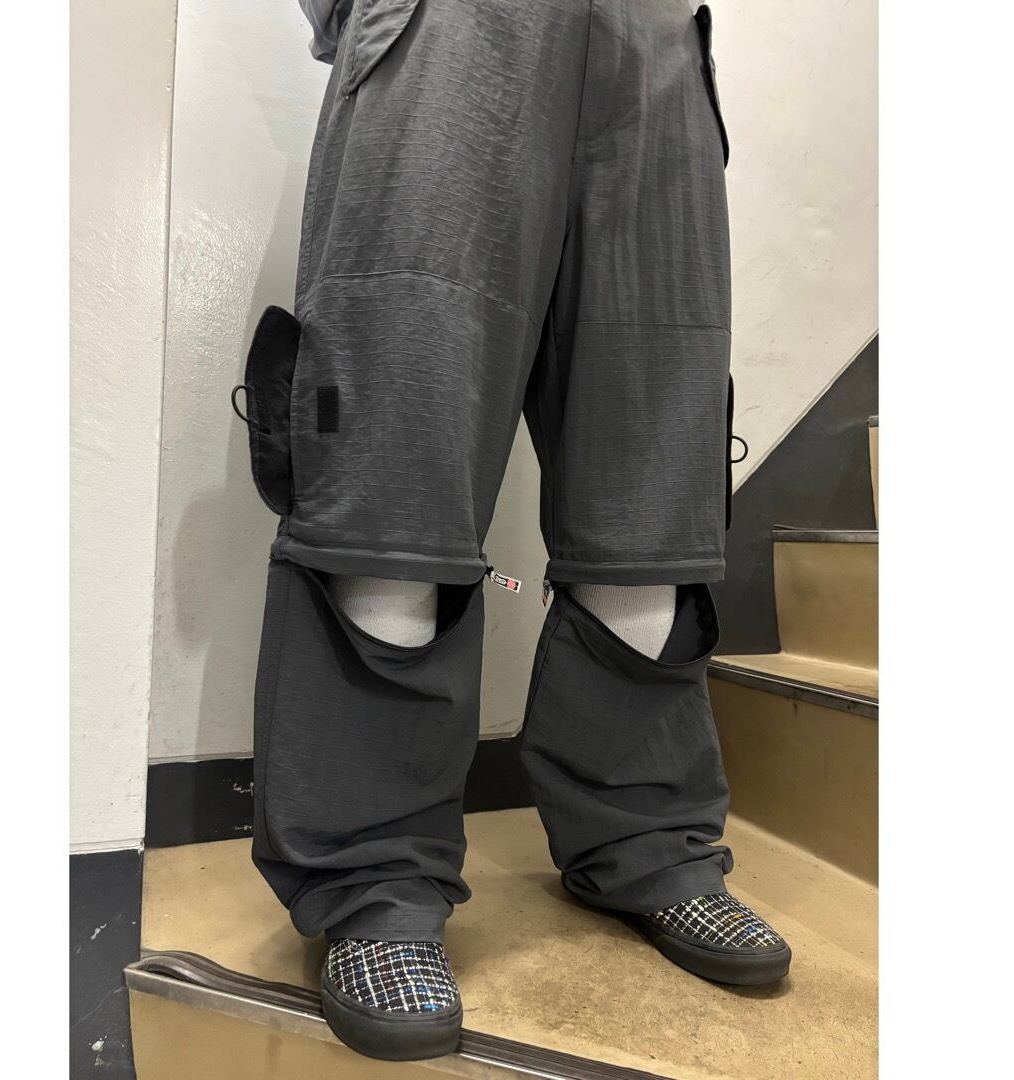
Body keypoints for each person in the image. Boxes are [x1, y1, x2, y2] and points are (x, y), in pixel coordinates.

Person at [236, 0, 790, 1061]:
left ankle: (647, 843)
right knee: (393, 478)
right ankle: (375, 882)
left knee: (652, 494)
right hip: (453, 27)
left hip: (654, 41)